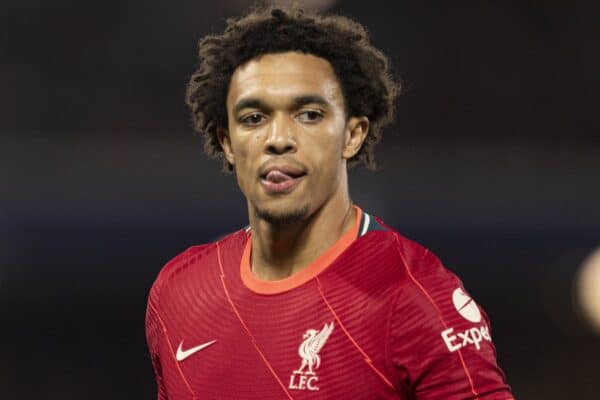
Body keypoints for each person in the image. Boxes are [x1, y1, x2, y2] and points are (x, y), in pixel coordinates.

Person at [145, 5, 513, 399]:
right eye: (254, 118)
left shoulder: (415, 298)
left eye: (308, 114)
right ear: (227, 141)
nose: (279, 138)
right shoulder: (179, 291)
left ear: (352, 135)